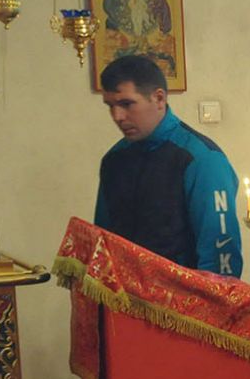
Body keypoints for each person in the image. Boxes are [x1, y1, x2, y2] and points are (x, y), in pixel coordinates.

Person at [96, 55, 242, 276]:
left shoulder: (202, 160)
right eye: (110, 106)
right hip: (124, 294)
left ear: (159, 98)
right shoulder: (113, 160)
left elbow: (220, 258)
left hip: (182, 296)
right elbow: (103, 243)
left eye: (126, 104)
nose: (117, 116)